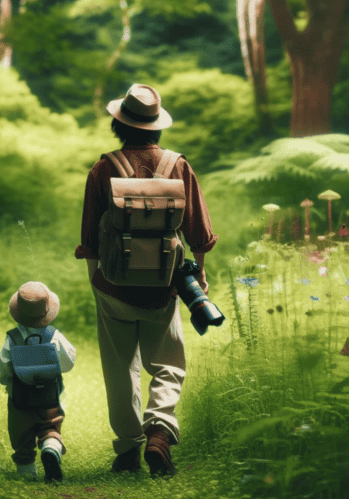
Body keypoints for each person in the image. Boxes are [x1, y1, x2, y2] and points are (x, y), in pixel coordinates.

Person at [75, 83, 218, 476]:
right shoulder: (179, 166)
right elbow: (200, 232)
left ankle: (127, 450)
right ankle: (159, 431)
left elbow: (88, 239)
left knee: (120, 368)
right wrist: (198, 273)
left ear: (119, 124)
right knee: (168, 365)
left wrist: (98, 280)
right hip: (163, 284)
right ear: (157, 126)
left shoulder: (104, 168)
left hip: (112, 285)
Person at [0, 281, 77, 483]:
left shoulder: (12, 339)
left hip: (19, 399)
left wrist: (9, 381)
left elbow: (3, 366)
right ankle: (50, 448)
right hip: (49, 397)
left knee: (21, 437)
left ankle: (27, 475)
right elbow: (68, 362)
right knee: (50, 427)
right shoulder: (54, 336)